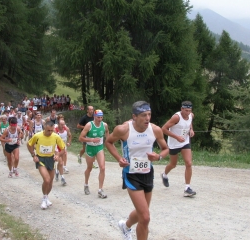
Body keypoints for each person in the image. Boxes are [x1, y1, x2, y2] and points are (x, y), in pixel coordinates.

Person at [105, 101, 169, 240]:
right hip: (131, 174)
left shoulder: (155, 130)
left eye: (149, 114)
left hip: (148, 173)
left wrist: (158, 157)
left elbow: (166, 149)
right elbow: (108, 142)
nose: (147, 118)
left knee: (143, 212)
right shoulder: (123, 130)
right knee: (145, 218)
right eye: (143, 115)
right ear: (134, 116)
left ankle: (125, 225)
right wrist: (119, 158)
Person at [27, 121, 66, 210]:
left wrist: (58, 155)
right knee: (47, 179)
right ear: (44, 128)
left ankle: (46, 197)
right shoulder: (37, 136)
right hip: (40, 159)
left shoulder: (56, 136)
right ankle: (44, 199)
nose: (50, 132)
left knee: (51, 181)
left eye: (51, 131)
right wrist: (33, 155)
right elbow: (29, 145)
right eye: (48, 130)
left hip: (50, 159)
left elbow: (63, 149)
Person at [161, 101, 196, 197]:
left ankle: (187, 188)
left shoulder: (191, 115)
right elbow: (163, 129)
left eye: (189, 110)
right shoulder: (176, 117)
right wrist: (177, 137)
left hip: (185, 142)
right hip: (174, 144)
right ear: (181, 109)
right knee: (173, 164)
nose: (187, 113)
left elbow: (189, 123)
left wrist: (191, 130)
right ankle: (164, 174)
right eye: (185, 110)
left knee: (188, 163)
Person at [79, 109, 109, 198]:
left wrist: (108, 140)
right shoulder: (89, 125)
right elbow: (80, 138)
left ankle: (100, 190)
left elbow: (107, 132)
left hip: (99, 147)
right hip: (90, 148)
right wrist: (91, 139)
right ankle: (86, 184)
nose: (100, 119)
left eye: (101, 117)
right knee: (89, 168)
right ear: (94, 117)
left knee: (102, 168)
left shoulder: (104, 125)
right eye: (98, 117)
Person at [54, 119, 72, 185]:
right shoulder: (55, 130)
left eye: (64, 124)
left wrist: (69, 142)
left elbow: (70, 136)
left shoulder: (66, 129)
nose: (63, 126)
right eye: (61, 124)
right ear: (58, 124)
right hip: (57, 148)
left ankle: (57, 171)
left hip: (63, 147)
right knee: (61, 162)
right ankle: (62, 178)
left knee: (60, 163)